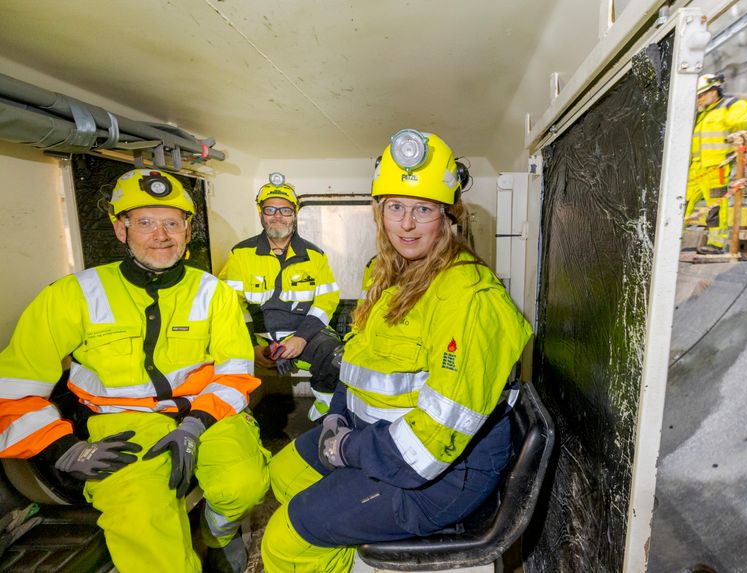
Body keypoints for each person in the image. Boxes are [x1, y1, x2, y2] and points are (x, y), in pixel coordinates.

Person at [260, 129, 533, 572]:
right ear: (379, 211)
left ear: (448, 216)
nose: (406, 224)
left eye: (423, 209)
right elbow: (361, 363)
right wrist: (336, 416)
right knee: (282, 474)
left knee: (283, 541)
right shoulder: (385, 275)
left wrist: (347, 450)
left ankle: (319, 541)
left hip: (440, 476)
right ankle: (340, 543)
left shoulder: (469, 299)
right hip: (376, 434)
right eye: (396, 207)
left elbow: (429, 446)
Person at [0, 168, 270, 573]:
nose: (160, 235)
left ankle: (219, 534)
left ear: (188, 229)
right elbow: (14, 388)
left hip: (207, 413)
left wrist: (195, 424)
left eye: (171, 222)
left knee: (244, 486)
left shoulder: (213, 292)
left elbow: (235, 373)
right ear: (120, 228)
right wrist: (64, 449)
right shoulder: (71, 296)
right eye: (144, 222)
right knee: (140, 519)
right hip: (122, 424)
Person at [219, 174, 343, 421]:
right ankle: (236, 418)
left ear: (295, 214)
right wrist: (251, 347)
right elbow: (229, 306)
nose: (278, 216)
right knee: (221, 354)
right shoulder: (240, 254)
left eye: (285, 210)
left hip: (300, 335)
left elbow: (326, 301)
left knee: (335, 355)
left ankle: (326, 412)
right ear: (260, 213)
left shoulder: (314, 256)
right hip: (255, 336)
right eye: (270, 210)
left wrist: (300, 339)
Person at [686, 73, 747, 254]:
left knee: (715, 207)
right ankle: (673, 240)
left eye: (701, 95)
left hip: (716, 169)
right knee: (681, 203)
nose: (698, 100)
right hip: (696, 169)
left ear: (713, 92)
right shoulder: (704, 114)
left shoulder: (730, 106)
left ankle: (716, 244)